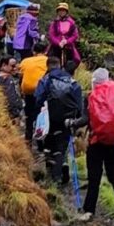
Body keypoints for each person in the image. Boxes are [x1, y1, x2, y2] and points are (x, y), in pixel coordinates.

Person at [75, 68, 114, 221]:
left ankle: (89, 210)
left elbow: (84, 120)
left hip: (97, 141)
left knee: (94, 177)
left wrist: (71, 123)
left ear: (94, 81)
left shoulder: (90, 96)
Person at [35, 57, 84, 185]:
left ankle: (53, 174)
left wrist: (40, 112)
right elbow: (80, 105)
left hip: (50, 118)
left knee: (49, 143)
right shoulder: (72, 82)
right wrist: (77, 120)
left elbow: (38, 99)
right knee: (62, 145)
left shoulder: (45, 79)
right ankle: (62, 166)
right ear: (59, 66)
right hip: (68, 119)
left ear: (48, 66)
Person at [19, 52, 48, 142]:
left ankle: (28, 137)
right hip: (42, 93)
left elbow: (21, 77)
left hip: (29, 92)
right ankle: (40, 138)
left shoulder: (25, 61)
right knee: (41, 114)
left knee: (29, 116)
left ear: (34, 52)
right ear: (45, 51)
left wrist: (21, 90)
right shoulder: (48, 60)